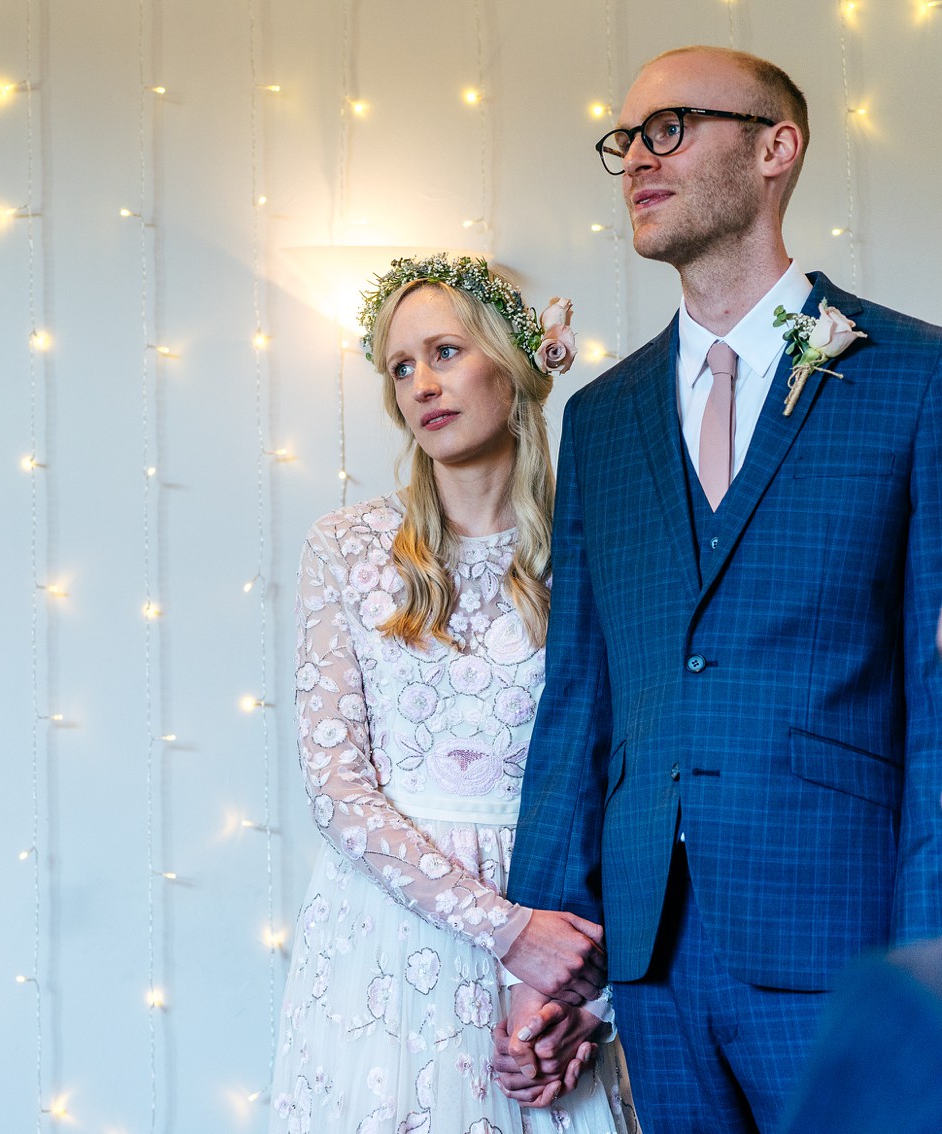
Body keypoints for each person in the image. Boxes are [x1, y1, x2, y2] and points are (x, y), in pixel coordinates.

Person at [505, 46, 942, 1133]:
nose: (635, 162)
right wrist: (541, 950)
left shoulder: (914, 376)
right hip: (650, 956)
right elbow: (577, 702)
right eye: (623, 141)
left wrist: (929, 952)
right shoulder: (597, 421)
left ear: (773, 149)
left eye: (668, 129)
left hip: (848, 944)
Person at [268, 254, 633, 1134]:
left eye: (444, 352)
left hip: (559, 928)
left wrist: (588, 993)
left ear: (514, 363)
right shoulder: (347, 546)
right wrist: (505, 929)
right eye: (400, 367)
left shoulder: (599, 544)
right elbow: (337, 789)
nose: (421, 385)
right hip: (384, 940)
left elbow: (626, 778)